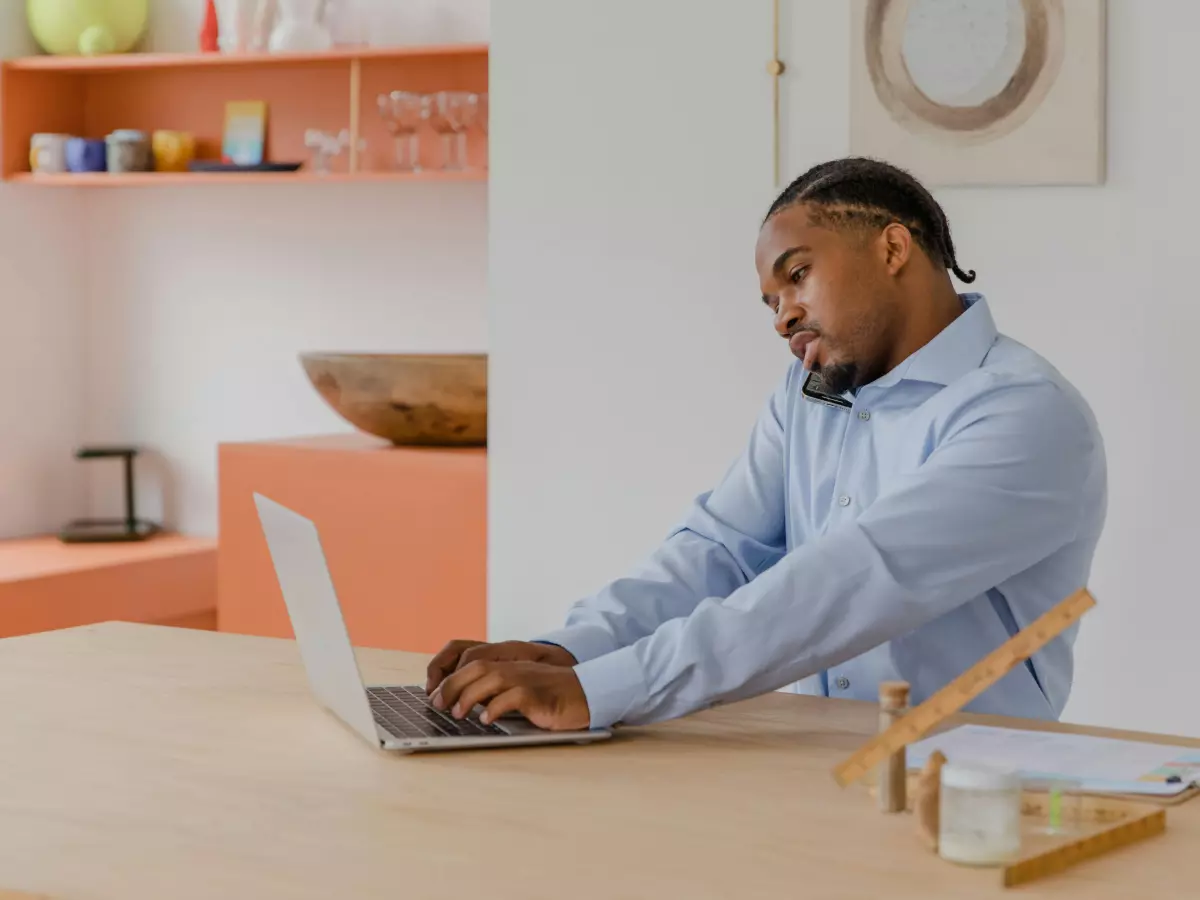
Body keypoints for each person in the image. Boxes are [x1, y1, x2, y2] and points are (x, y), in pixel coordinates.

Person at [426, 156, 1107, 734]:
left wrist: (605, 690)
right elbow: (718, 552)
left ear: (893, 248)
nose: (783, 315)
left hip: (973, 792)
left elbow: (850, 582)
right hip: (811, 765)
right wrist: (568, 652)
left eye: (798, 274)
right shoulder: (807, 394)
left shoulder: (1023, 414)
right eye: (771, 299)